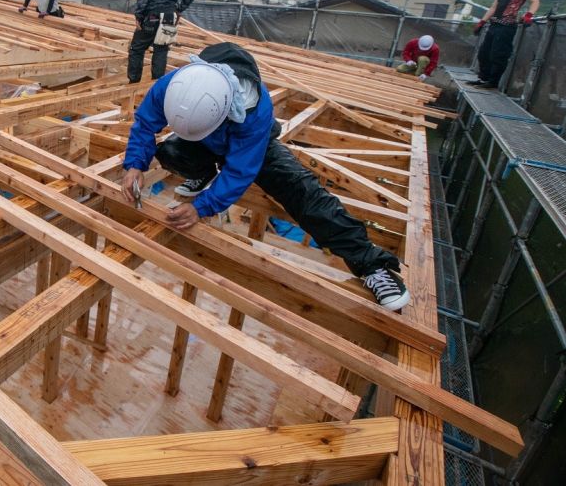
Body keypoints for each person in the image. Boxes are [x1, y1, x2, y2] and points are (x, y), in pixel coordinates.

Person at [120, 42, 410, 311]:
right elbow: (146, 124)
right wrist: (134, 165)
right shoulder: (175, 85)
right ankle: (203, 174)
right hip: (204, 137)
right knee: (170, 151)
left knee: (301, 190)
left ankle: (371, 265)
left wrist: (201, 207)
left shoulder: (254, 109)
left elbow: (239, 170)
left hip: (252, 143)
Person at [468, 0, 540, 89]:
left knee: (498, 54)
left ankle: (493, 82)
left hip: (507, 26)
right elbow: (494, 7)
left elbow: (535, 1)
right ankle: (484, 78)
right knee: (484, 53)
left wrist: (529, 15)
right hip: (494, 24)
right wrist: (482, 22)